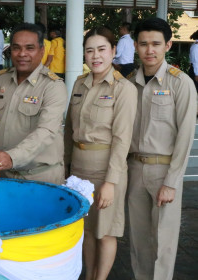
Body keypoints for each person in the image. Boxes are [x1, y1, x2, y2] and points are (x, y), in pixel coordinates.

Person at [64, 27, 137, 280]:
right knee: (86, 230)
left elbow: (122, 139)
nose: (95, 56)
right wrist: (66, 166)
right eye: (89, 50)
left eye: (102, 49)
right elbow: (69, 129)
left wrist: (111, 182)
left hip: (106, 168)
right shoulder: (78, 83)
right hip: (79, 170)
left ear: (114, 51)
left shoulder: (123, 88)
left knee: (106, 233)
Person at [128, 17, 196, 280]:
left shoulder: (180, 83)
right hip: (134, 169)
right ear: (135, 45)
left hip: (164, 171)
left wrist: (172, 181)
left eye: (156, 44)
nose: (150, 50)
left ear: (168, 45)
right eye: (144, 44)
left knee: (163, 242)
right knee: (138, 240)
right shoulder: (128, 83)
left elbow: (186, 136)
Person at [0, 23, 67, 185]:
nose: (22, 54)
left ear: (41, 51)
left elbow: (46, 131)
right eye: (16, 48)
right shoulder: (2, 79)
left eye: (30, 48)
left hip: (39, 176)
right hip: (4, 174)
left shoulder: (53, 86)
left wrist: (12, 157)